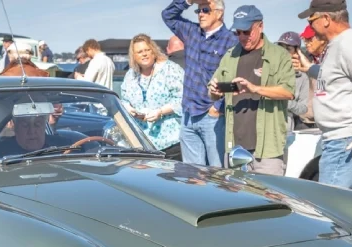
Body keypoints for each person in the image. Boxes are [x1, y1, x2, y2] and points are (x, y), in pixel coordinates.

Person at [293, 0, 352, 190]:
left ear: (326, 19)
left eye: (312, 20)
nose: (309, 26)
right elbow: (337, 77)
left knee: (331, 208)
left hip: (344, 141)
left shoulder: (350, 43)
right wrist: (310, 69)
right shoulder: (339, 43)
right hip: (339, 141)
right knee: (345, 208)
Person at [209, 6, 295, 175]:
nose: (242, 37)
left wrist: (255, 88)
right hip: (235, 147)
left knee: (269, 198)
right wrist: (214, 91)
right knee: (237, 200)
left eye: (246, 31)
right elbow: (211, 92)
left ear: (260, 26)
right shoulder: (230, 55)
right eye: (237, 32)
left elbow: (288, 91)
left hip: (267, 149)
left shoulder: (280, 55)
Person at [162, 0, 239, 167]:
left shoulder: (231, 41)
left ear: (219, 13)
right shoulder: (191, 31)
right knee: (193, 175)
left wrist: (218, 107)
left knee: (218, 173)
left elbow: (235, 79)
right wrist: (188, 1)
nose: (201, 14)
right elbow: (167, 16)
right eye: (198, 11)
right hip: (188, 115)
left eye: (205, 9)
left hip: (212, 117)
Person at [121, 34, 184, 159]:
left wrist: (160, 111)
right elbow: (124, 100)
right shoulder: (131, 75)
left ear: (153, 51)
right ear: (134, 55)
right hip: (141, 143)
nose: (144, 54)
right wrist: (128, 108)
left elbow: (182, 99)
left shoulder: (170, 69)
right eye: (139, 52)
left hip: (170, 143)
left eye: (147, 50)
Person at [276, 31, 310, 133]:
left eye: (288, 49)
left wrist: (285, 101)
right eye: (281, 47)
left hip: (286, 129)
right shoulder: (269, 68)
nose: (284, 51)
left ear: (296, 52)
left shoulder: (302, 77)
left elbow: (303, 108)